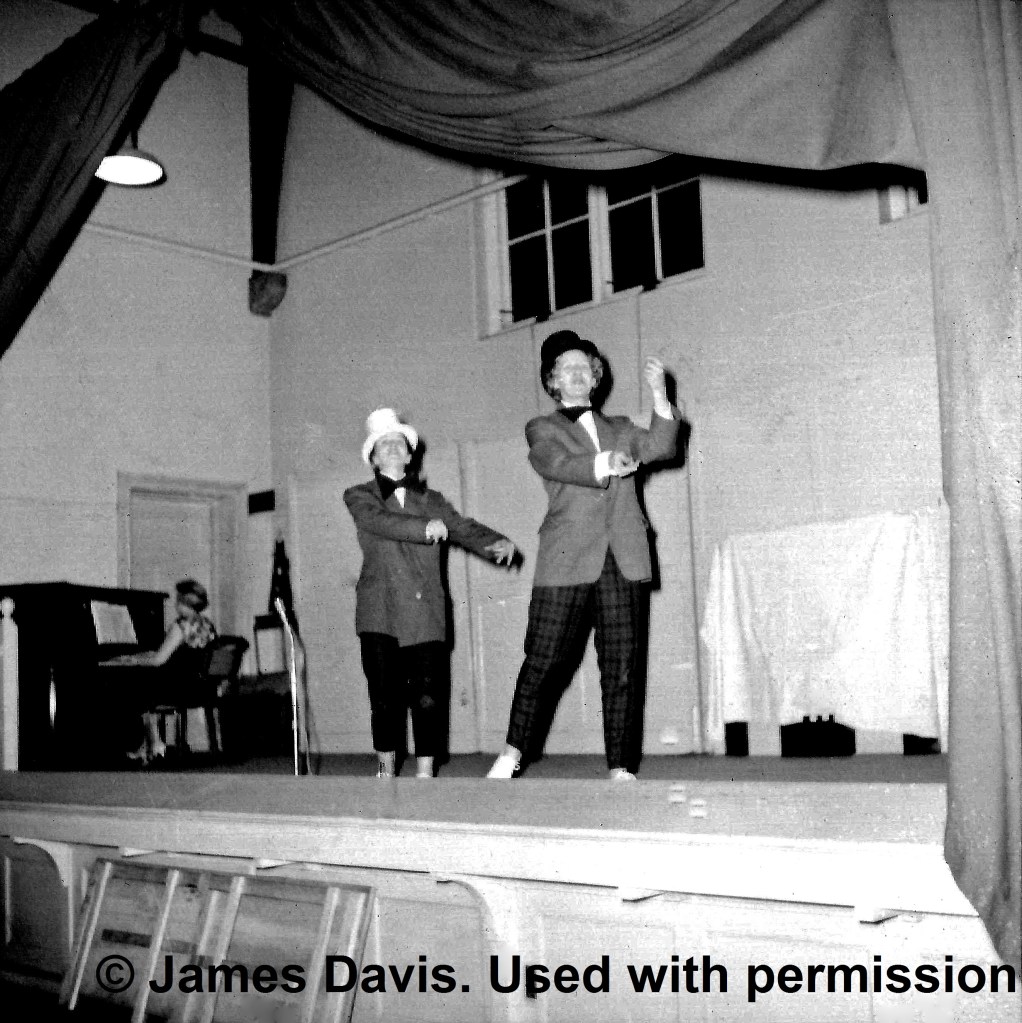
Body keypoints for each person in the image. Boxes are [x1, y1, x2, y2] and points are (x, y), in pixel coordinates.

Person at [487, 329, 684, 781]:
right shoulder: (543, 428)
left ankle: (620, 767)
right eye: (566, 368)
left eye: (584, 367)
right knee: (543, 662)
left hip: (623, 558)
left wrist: (660, 396)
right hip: (565, 559)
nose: (576, 374)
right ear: (553, 381)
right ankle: (511, 755)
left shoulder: (622, 428)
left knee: (621, 668)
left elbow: (662, 446)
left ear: (595, 378)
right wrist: (605, 464)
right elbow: (554, 463)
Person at [344, 407, 518, 779]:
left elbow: (460, 526)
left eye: (398, 443)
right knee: (384, 697)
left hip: (425, 610)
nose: (392, 448)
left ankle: (426, 774)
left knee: (427, 696)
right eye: (383, 444)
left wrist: (495, 541)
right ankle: (385, 770)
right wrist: (424, 528)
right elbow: (379, 522)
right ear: (373, 458)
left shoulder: (433, 500)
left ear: (410, 455)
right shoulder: (359, 496)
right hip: (379, 611)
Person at [108, 578, 217, 763]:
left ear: (183, 602)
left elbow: (158, 660)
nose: (175, 604)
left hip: (178, 688)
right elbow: (178, 655)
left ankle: (152, 744)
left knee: (134, 686)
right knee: (143, 683)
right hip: (199, 686)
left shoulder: (181, 626)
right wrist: (143, 657)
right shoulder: (206, 624)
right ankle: (149, 744)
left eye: (178, 599)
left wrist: (132, 660)